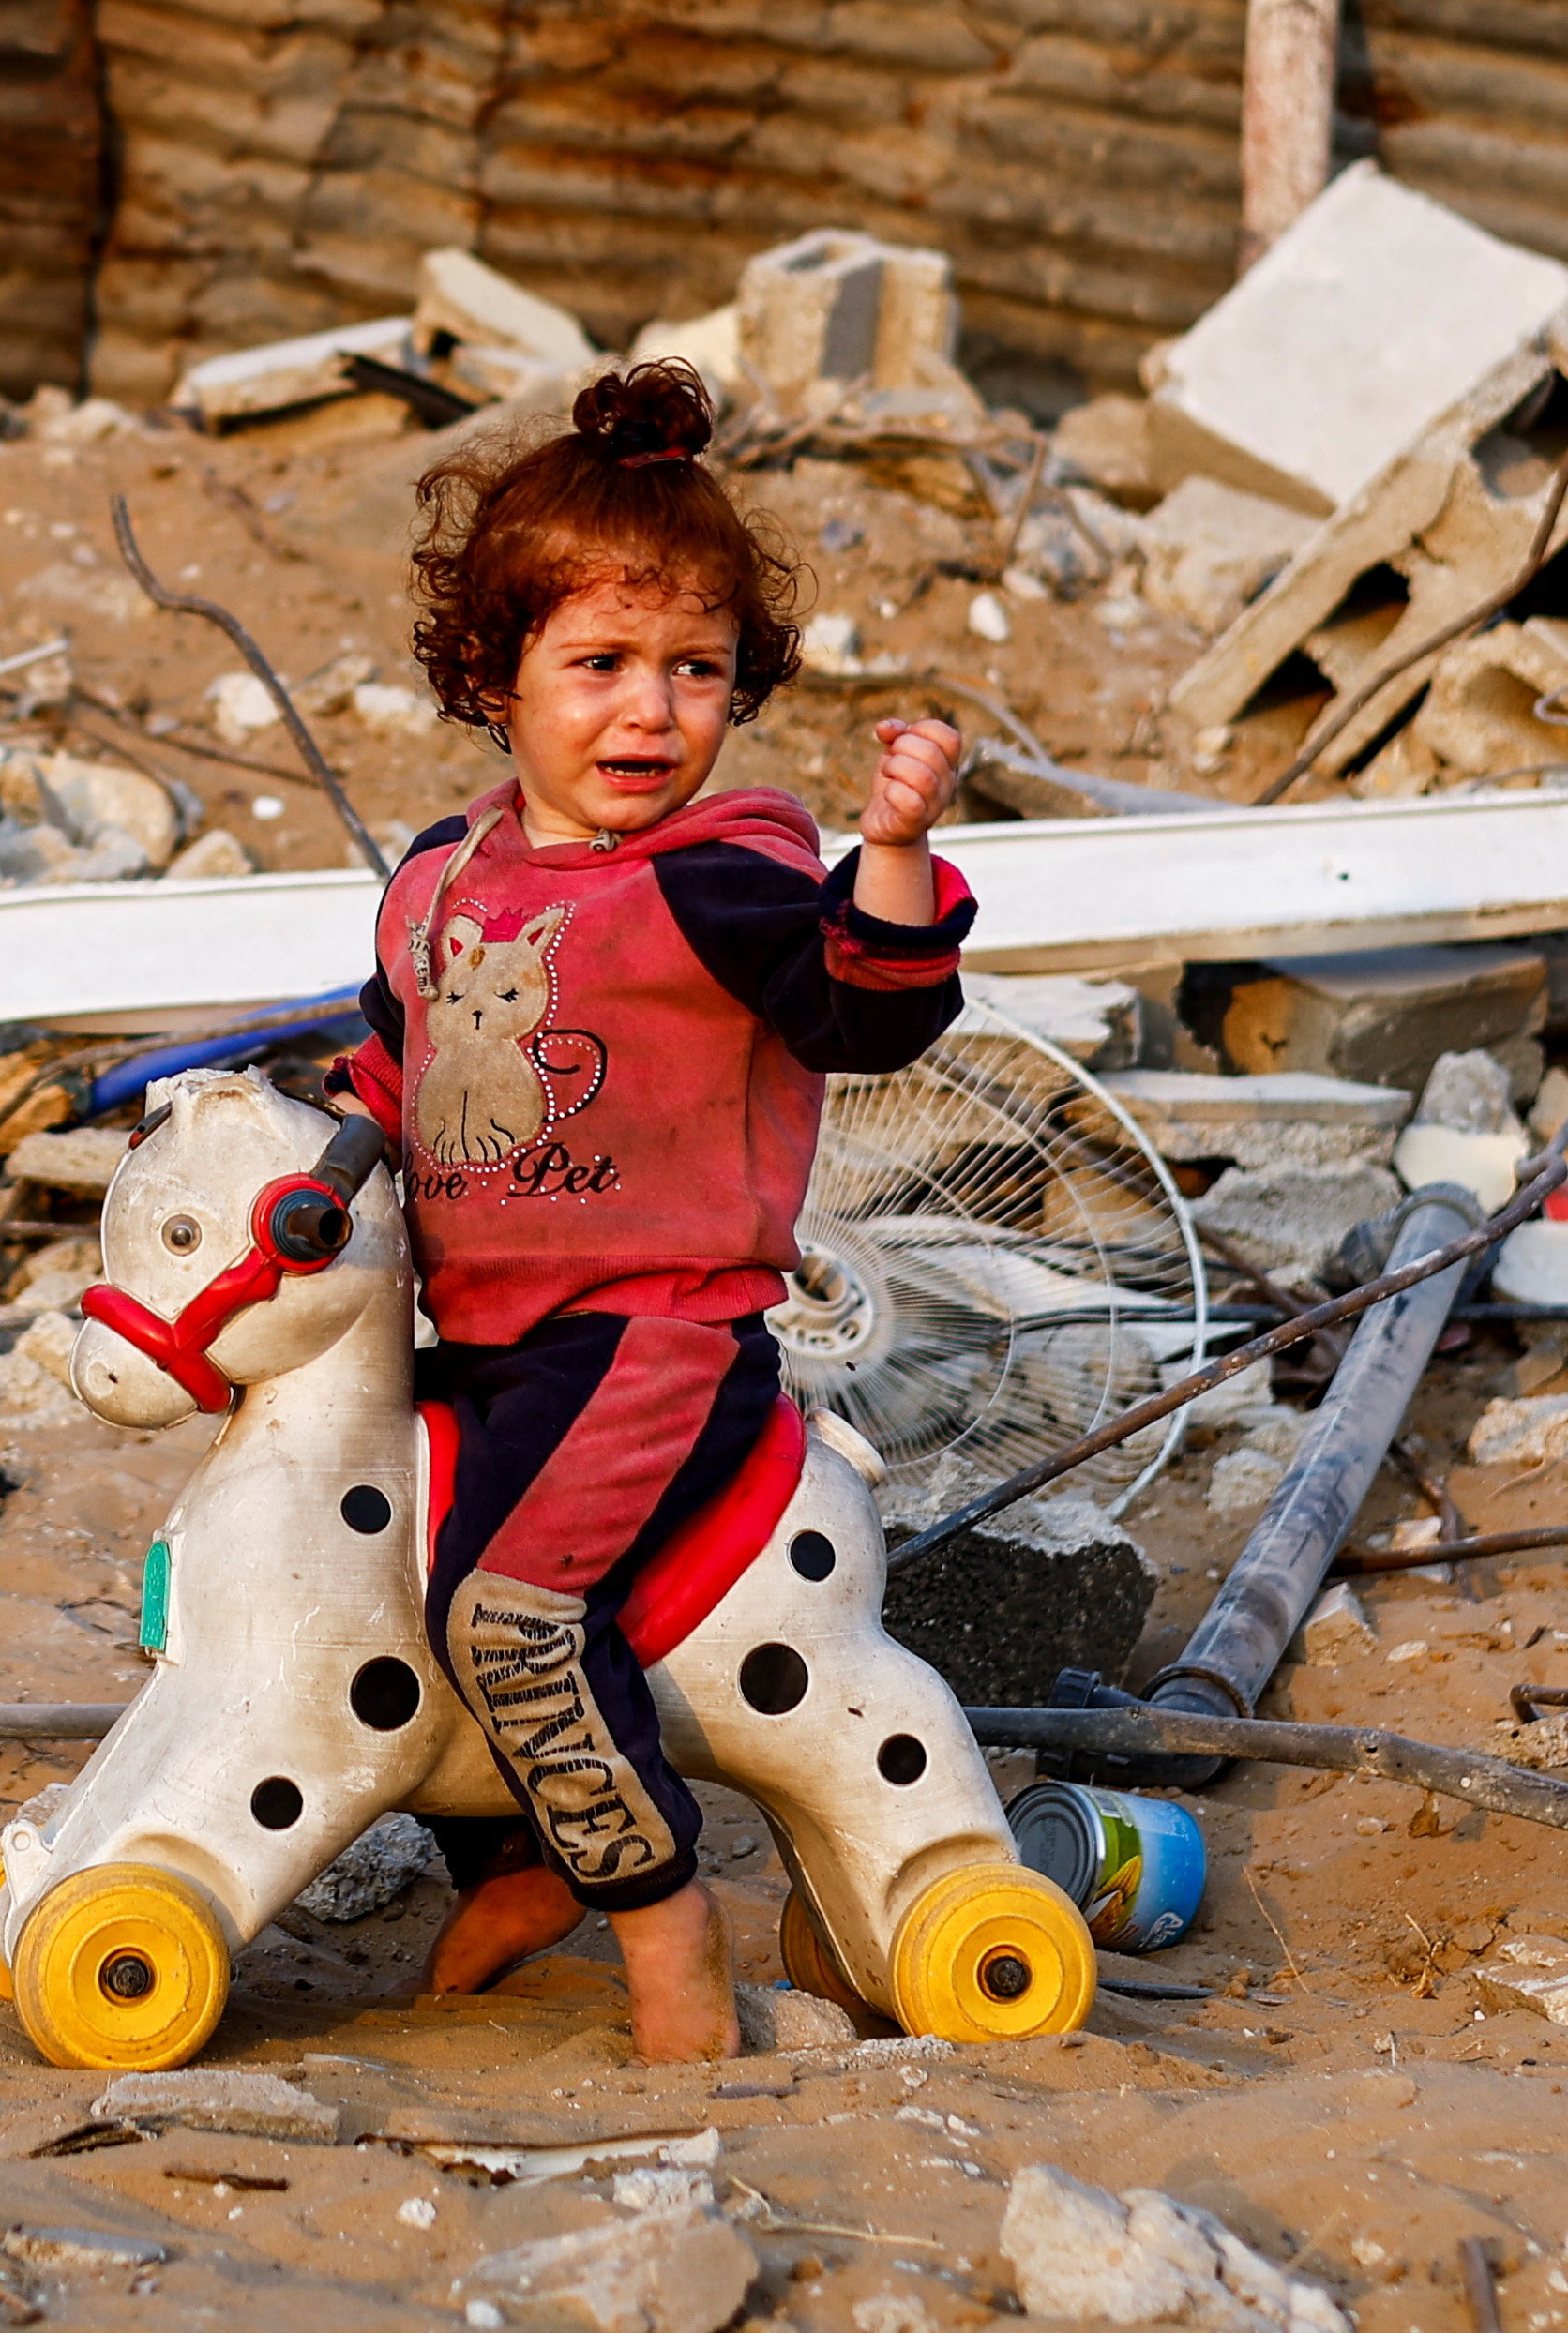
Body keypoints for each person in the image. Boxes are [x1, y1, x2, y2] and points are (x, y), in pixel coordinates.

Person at [336, 358, 972, 2061]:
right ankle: (525, 1855)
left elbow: (864, 1007)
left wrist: (893, 852)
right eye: (601, 664)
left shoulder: (726, 873)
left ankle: (664, 1921)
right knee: (385, 1569)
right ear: (495, 676)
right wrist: (306, 1168)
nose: (650, 713)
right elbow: (398, 1068)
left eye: (695, 670)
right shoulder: (443, 878)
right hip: (480, 1340)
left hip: (656, 1340)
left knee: (509, 1615)